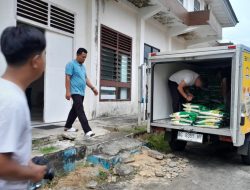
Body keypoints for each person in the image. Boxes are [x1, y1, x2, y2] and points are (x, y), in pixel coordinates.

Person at [0, 26, 47, 189]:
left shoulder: (5, 91)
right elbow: (1, 165)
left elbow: (7, 146)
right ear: (35, 61)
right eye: (44, 55)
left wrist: (28, 164)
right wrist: (33, 174)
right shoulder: (12, 102)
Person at [64, 48, 98, 137]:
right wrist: (67, 91)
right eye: (83, 57)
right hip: (75, 92)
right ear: (78, 55)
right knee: (80, 110)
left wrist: (93, 88)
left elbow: (86, 79)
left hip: (82, 92)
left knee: (74, 110)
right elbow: (67, 78)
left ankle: (68, 126)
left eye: (85, 57)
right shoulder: (71, 64)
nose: (84, 59)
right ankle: (87, 130)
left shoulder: (83, 67)